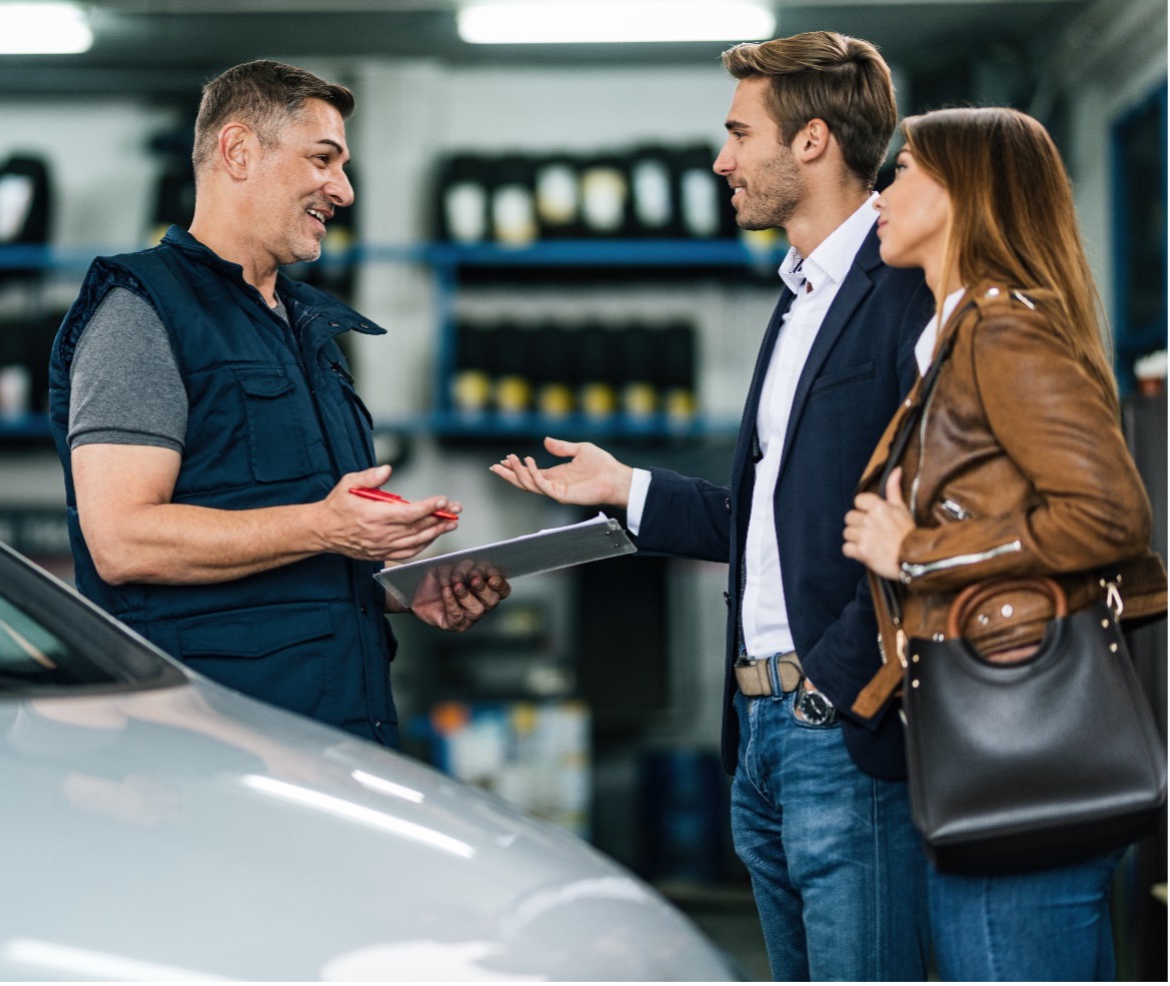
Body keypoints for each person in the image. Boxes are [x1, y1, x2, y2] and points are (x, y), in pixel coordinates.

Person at [491, 31, 932, 980]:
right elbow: (780, 521)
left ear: (811, 142)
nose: (722, 160)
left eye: (740, 134)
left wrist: (839, 680)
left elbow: (930, 502)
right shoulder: (797, 295)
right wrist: (626, 488)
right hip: (761, 734)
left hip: (839, 729)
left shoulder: (904, 292)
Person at [47, 60, 508, 749]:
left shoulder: (306, 330)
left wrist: (397, 589)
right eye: (323, 159)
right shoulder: (142, 314)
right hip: (209, 754)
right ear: (238, 151)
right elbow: (120, 541)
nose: (344, 190)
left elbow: (291, 545)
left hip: (335, 735)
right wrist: (325, 528)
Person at [842, 106, 1162, 981]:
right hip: (996, 753)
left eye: (904, 171)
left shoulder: (1004, 329)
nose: (882, 191)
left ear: (963, 192)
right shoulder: (956, 336)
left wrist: (916, 551)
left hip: (1022, 761)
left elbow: (1107, 517)